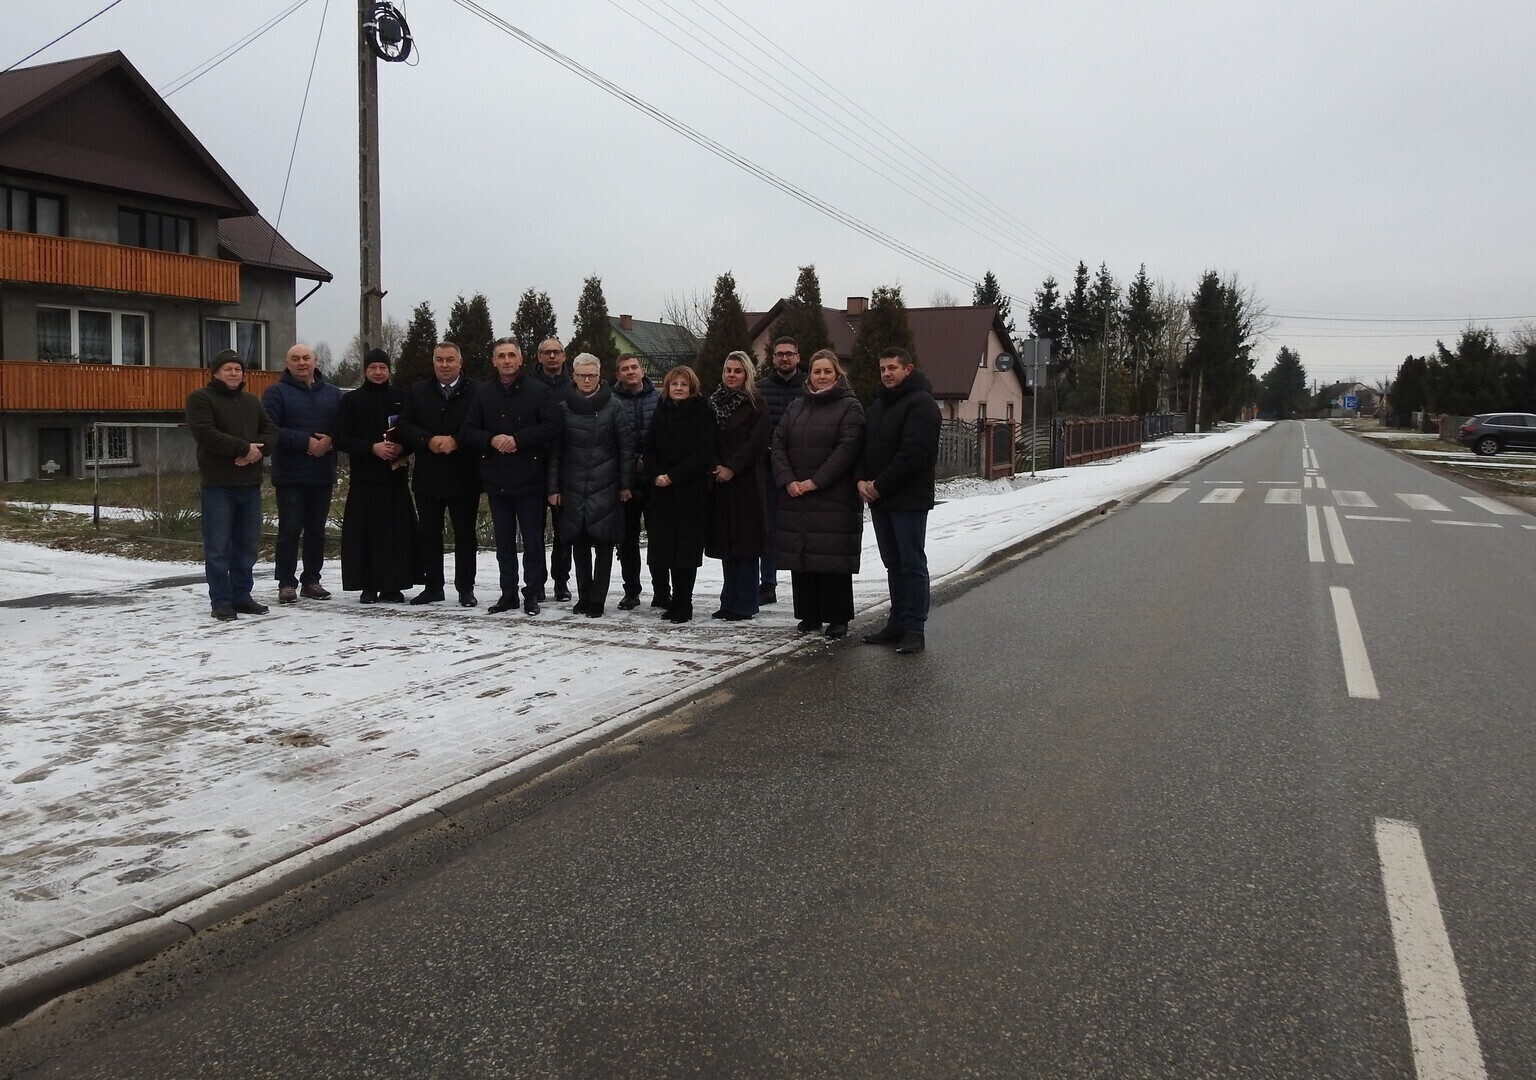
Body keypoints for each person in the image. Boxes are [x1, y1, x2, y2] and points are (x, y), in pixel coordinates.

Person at [461, 338, 561, 615]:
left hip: (529, 476)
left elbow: (552, 426)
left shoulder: (539, 392)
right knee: (503, 541)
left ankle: (532, 592)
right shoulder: (483, 393)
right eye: (501, 356)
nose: (506, 361)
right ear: (494, 361)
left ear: (521, 360)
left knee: (532, 540)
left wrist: (518, 439)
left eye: (511, 356)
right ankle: (508, 593)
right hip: (496, 477)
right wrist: (492, 440)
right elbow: (468, 430)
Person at [771, 348, 865, 639]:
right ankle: (809, 614)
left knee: (832, 558)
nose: (821, 377)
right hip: (796, 495)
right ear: (808, 375)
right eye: (816, 371)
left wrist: (816, 481)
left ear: (837, 375)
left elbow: (847, 450)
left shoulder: (850, 407)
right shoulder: (796, 407)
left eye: (827, 371)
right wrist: (788, 480)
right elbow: (778, 443)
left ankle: (837, 617)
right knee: (803, 556)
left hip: (832, 496)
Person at [858, 347, 941, 654]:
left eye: (892, 367)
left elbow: (915, 455)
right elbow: (865, 447)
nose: (887, 373)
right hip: (880, 498)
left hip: (908, 499)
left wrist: (879, 485)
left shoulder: (922, 404)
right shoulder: (879, 404)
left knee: (911, 563)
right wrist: (862, 480)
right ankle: (897, 621)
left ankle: (914, 628)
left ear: (909, 369)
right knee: (893, 563)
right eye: (882, 368)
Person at [186, 349, 277, 621]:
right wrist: (242, 448)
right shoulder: (200, 399)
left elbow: (270, 430)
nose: (234, 373)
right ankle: (221, 601)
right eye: (228, 369)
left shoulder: (251, 401)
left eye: (238, 369)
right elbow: (206, 433)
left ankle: (242, 596)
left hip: (250, 484)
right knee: (218, 547)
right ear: (215, 373)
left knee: (246, 546)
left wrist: (258, 451)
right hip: (218, 485)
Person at [395, 341, 481, 607]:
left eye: (450, 360)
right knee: (429, 535)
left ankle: (466, 588)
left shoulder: (477, 391)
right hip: (429, 475)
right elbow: (404, 425)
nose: (445, 365)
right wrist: (427, 439)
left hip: (464, 474)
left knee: (465, 535)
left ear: (460, 362)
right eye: (440, 360)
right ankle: (433, 587)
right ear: (433, 362)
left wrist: (457, 440)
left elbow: (481, 426)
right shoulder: (418, 391)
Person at [548, 354, 634, 617]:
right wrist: (553, 488)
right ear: (573, 376)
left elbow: (626, 448)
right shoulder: (562, 407)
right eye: (582, 375)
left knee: (604, 545)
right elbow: (555, 451)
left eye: (592, 375)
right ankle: (583, 596)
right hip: (572, 486)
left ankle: (598, 599)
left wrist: (625, 484)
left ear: (600, 376)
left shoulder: (614, 406)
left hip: (606, 485)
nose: (587, 380)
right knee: (579, 545)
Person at [334, 348, 421, 603]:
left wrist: (402, 448)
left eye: (383, 368)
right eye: (373, 368)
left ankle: (394, 585)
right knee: (366, 535)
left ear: (389, 370)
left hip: (394, 479)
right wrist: (371, 447)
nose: (378, 372)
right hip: (365, 479)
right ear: (365, 371)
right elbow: (340, 438)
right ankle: (368, 585)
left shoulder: (402, 398)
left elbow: (413, 433)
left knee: (396, 535)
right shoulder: (351, 401)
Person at [263, 342, 344, 604]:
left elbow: (343, 427)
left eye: (306, 358)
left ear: (315, 360)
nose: (302, 363)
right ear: (287, 363)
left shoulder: (333, 393)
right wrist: (306, 442)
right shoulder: (276, 393)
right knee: (289, 530)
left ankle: (312, 580)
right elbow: (270, 430)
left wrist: (329, 441)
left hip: (322, 474)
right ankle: (286, 583)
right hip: (290, 475)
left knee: (316, 531)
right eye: (295, 358)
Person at [641, 366, 716, 623]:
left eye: (684, 384)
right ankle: (671, 600)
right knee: (665, 548)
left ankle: (685, 602)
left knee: (685, 550)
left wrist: (674, 476)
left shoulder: (703, 411)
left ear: (692, 388)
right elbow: (649, 448)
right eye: (675, 384)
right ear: (668, 387)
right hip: (661, 491)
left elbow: (704, 452)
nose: (679, 388)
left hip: (689, 490)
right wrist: (656, 474)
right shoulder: (661, 411)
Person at [705, 351, 771, 621]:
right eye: (728, 370)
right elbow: (706, 439)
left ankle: (744, 603)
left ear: (747, 374)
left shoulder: (757, 404)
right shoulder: (712, 403)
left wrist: (732, 466)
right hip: (719, 481)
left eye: (737, 371)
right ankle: (728, 600)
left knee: (745, 545)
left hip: (745, 481)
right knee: (727, 545)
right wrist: (718, 466)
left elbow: (756, 442)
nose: (731, 375)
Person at [757, 335, 806, 606]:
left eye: (789, 353)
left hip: (802, 471)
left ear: (798, 357)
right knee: (769, 528)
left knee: (802, 531)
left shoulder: (809, 387)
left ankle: (805, 583)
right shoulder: (761, 388)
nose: (784, 358)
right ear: (773, 358)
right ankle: (768, 583)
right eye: (779, 354)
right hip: (767, 469)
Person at [611, 352, 659, 609]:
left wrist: (649, 464)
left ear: (642, 370)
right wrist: (626, 474)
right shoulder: (609, 401)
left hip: (654, 479)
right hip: (625, 480)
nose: (631, 372)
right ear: (618, 375)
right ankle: (631, 591)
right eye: (625, 369)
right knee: (627, 540)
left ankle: (662, 590)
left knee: (659, 537)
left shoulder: (659, 398)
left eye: (634, 367)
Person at [531, 337, 573, 601]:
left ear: (564, 356)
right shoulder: (528, 386)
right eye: (546, 353)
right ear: (539, 357)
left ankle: (561, 581)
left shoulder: (574, 386)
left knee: (563, 532)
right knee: (534, 531)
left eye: (556, 352)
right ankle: (536, 583)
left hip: (566, 467)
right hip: (534, 466)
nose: (552, 357)